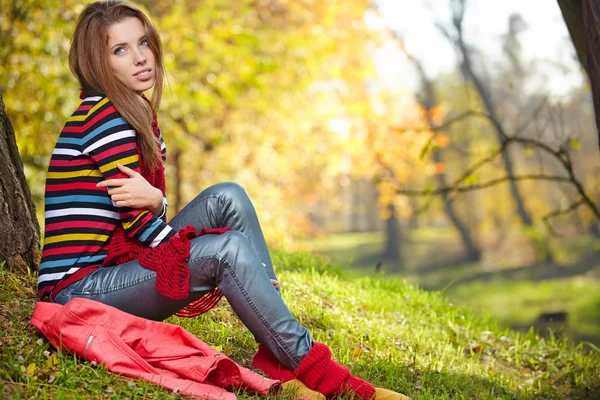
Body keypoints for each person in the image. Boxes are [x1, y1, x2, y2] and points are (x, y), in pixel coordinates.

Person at [38, 1, 408, 399]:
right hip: (78, 292)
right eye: (120, 50)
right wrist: (206, 249)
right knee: (227, 251)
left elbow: (144, 213)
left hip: (114, 265)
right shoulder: (106, 119)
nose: (142, 57)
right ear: (97, 63)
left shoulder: (128, 112)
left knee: (227, 196)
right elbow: (140, 225)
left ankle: (276, 355)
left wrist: (159, 204)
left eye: (143, 42)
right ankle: (321, 372)